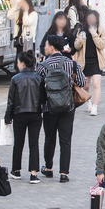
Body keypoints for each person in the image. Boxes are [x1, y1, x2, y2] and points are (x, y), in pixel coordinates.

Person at [38, 35, 87, 183]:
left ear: (52, 47)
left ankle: (48, 168)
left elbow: (38, 86)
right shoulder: (71, 64)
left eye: (46, 45)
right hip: (68, 107)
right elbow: (82, 81)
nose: (44, 48)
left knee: (49, 138)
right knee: (65, 140)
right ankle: (64, 173)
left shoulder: (42, 66)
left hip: (49, 107)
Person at [6, 49, 45, 184]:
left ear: (22, 63)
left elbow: (11, 100)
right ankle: (33, 174)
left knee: (18, 143)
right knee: (34, 144)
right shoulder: (39, 78)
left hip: (19, 114)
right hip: (35, 114)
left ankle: (16, 170)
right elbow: (43, 98)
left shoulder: (15, 79)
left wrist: (7, 117)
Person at [74, 9, 105, 116]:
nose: (91, 20)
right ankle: (88, 102)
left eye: (93, 18)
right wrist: (79, 40)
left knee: (97, 84)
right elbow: (76, 46)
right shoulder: (82, 30)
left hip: (97, 61)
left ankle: (95, 107)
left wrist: (94, 34)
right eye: (89, 18)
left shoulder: (101, 30)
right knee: (85, 85)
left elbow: (102, 45)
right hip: (84, 61)